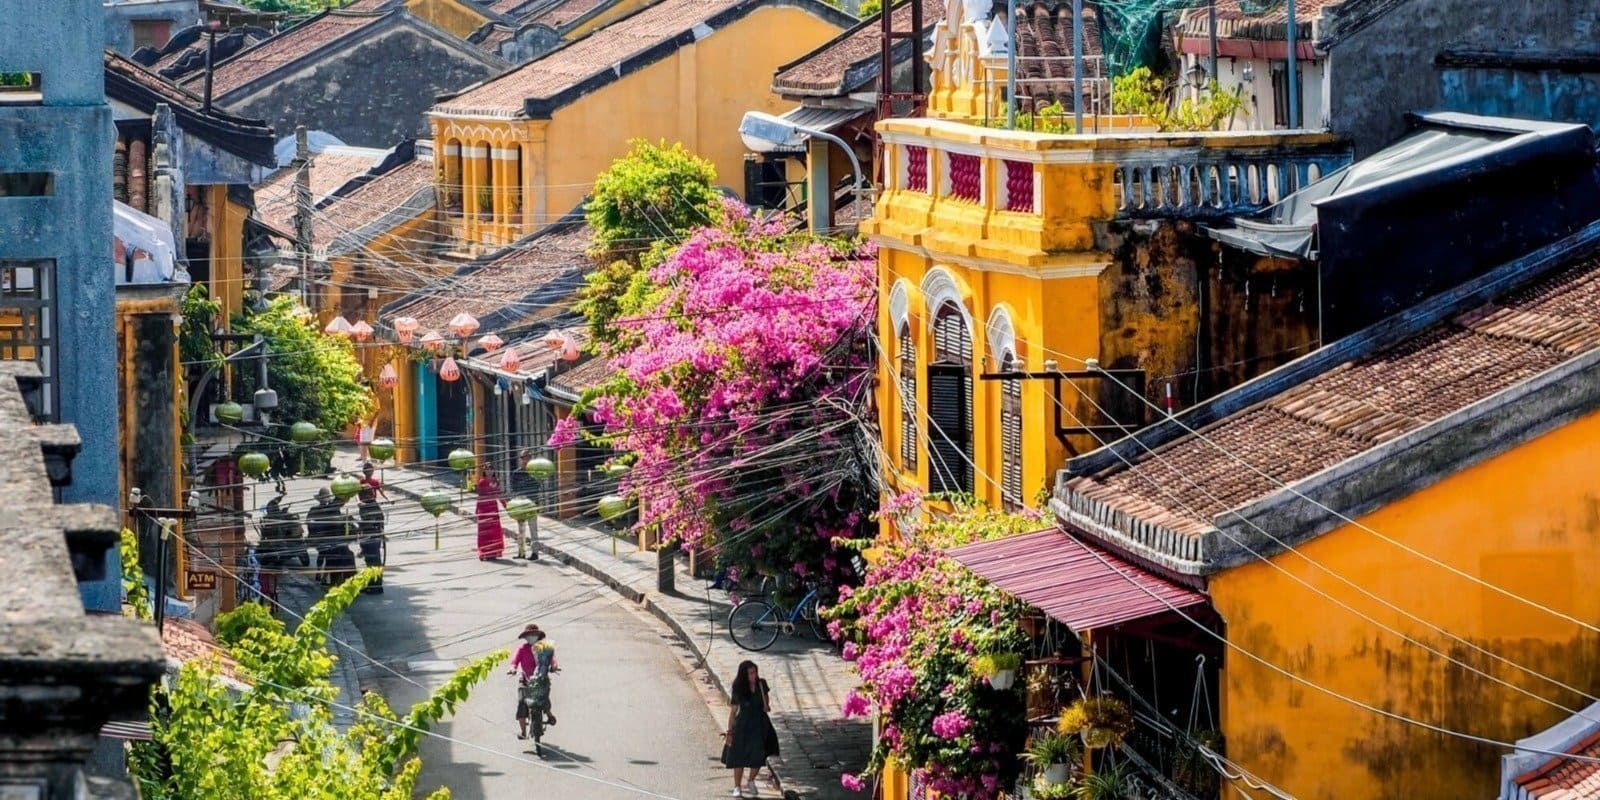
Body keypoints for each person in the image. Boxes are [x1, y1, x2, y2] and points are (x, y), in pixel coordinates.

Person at [722, 660, 777, 798]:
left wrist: (766, 706)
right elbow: (733, 711)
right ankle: (737, 786)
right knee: (738, 756)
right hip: (743, 724)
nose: (754, 676)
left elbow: (766, 702)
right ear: (744, 675)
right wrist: (730, 731)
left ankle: (751, 780)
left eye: (755, 672)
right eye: (750, 673)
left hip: (759, 723)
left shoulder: (761, 684)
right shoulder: (739, 687)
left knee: (758, 755)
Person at [507, 624, 558, 739]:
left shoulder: (545, 648)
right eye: (529, 635)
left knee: (544, 697)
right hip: (525, 680)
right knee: (522, 703)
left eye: (534, 635)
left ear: (539, 636)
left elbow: (553, 659)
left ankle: (549, 714)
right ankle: (523, 731)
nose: (532, 637)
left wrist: (554, 666)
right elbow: (514, 661)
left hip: (541, 680)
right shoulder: (522, 649)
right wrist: (513, 669)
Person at [307, 488, 355, 586]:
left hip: (330, 540)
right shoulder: (318, 510)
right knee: (328, 557)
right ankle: (324, 576)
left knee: (328, 557)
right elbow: (311, 523)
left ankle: (324, 576)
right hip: (324, 539)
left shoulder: (331, 509)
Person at [356, 462, 387, 594]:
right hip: (374, 539)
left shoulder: (368, 507)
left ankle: (374, 587)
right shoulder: (370, 506)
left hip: (371, 540)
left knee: (372, 564)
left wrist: (358, 528)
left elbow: (368, 524)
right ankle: (375, 586)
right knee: (374, 564)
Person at [474, 471, 507, 560]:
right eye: (487, 469)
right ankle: (483, 552)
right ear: (484, 471)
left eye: (491, 469)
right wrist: (477, 509)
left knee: (494, 531)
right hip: (484, 509)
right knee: (484, 532)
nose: (489, 471)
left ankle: (494, 552)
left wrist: (506, 505)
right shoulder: (482, 482)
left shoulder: (495, 482)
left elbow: (499, 494)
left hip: (493, 509)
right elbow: (480, 496)